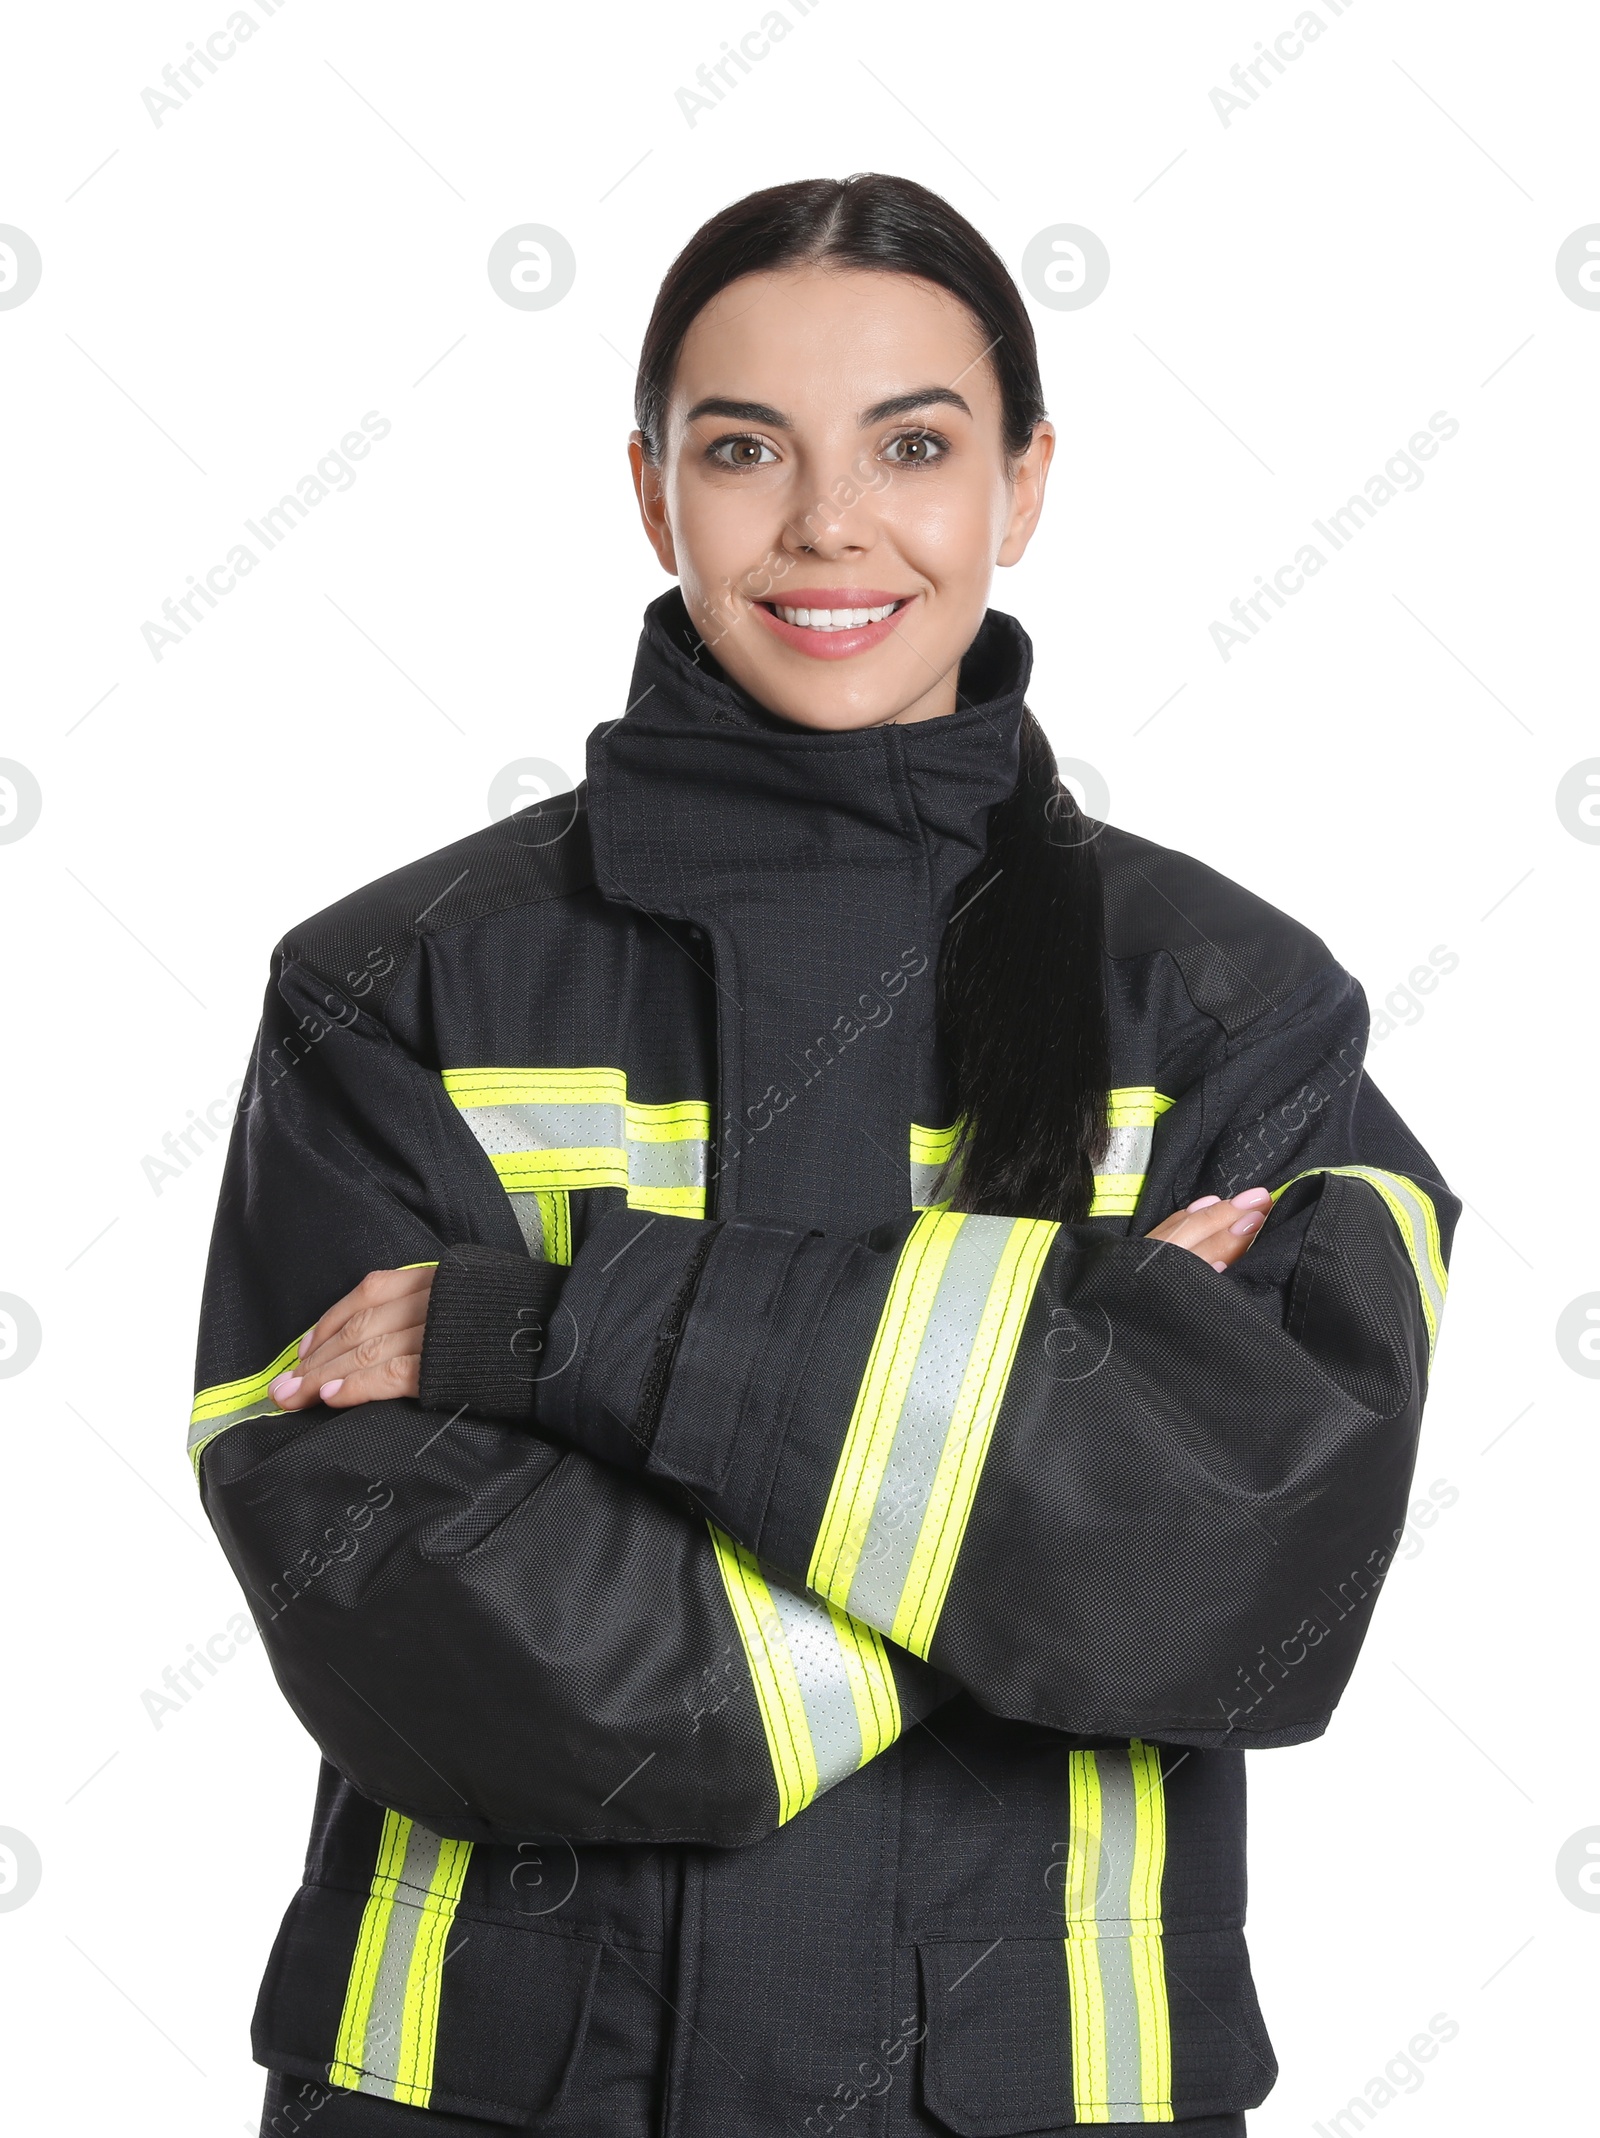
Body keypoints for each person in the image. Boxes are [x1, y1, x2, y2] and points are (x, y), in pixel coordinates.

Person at [191, 174, 1456, 2138]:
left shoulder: (1222, 1003)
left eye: (913, 447)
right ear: (647, 489)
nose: (825, 524)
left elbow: (1250, 1561)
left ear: (1022, 486)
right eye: (741, 448)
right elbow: (418, 1621)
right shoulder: (393, 985)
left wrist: (546, 1329)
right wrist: (1032, 1518)